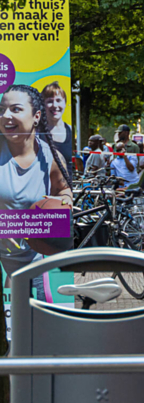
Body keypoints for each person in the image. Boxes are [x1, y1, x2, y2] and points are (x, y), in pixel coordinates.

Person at [0, 85, 74, 291]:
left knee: (33, 319)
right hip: (2, 260)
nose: (5, 116)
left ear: (36, 116)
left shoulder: (50, 157)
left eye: (15, 109)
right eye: (1, 110)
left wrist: (63, 204)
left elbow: (64, 190)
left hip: (37, 260)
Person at [41, 82, 74, 166]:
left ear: (65, 103)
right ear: (42, 105)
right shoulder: (35, 132)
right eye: (50, 101)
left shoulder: (70, 130)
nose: (55, 105)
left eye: (58, 100)